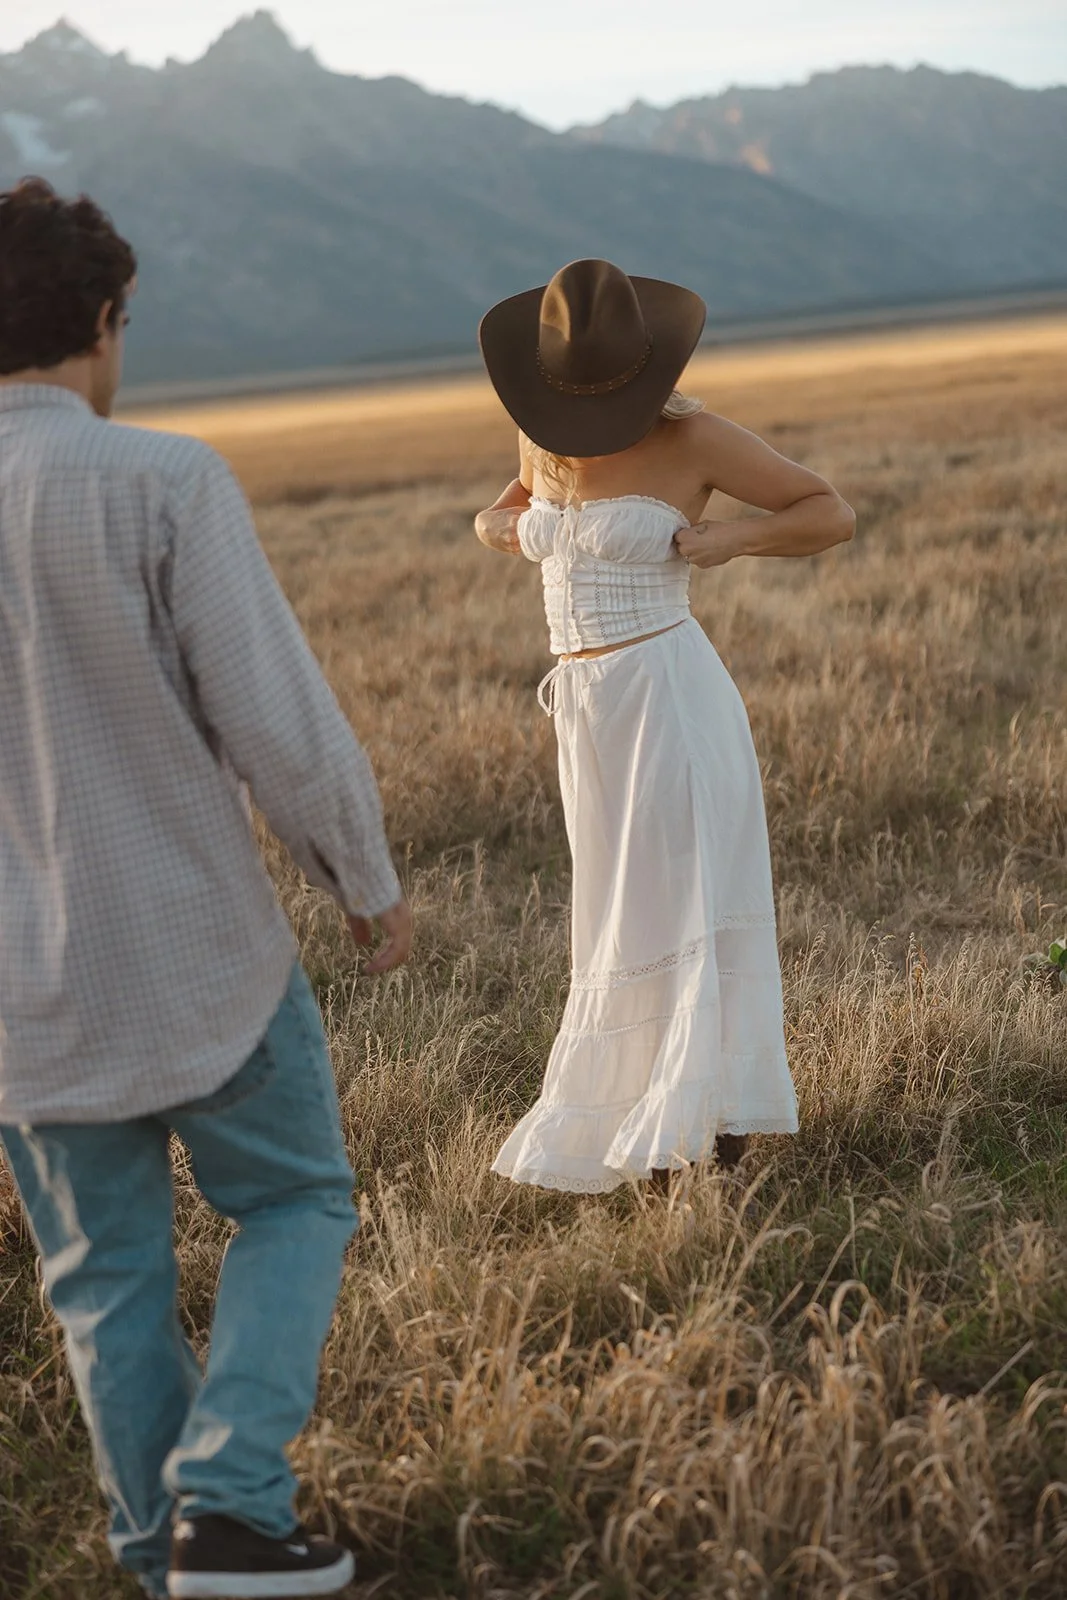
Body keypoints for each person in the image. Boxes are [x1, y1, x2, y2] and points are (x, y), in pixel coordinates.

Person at [0, 178, 412, 1598]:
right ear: (104, 324)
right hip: (196, 953)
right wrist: (360, 874)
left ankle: (158, 1555)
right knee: (295, 1201)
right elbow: (278, 724)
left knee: (101, 1283)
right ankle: (229, 1505)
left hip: (17, 1001)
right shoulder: (161, 478)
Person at [476, 258, 853, 1194]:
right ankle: (637, 1111)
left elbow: (828, 511)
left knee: (684, 901)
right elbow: (506, 514)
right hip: (588, 714)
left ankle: (699, 1123)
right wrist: (500, 528)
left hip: (669, 697)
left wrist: (729, 539)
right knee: (615, 909)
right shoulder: (544, 439)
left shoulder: (698, 440)